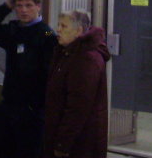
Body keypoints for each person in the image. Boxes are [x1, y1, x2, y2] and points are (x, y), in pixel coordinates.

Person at [0, 0, 58, 158]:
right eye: (19, 6)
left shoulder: (45, 32)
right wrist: (6, 6)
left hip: (33, 109)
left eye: (28, 5)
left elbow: (49, 72)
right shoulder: (14, 31)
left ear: (38, 6)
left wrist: (37, 105)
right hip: (11, 103)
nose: (23, 10)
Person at [43, 10, 110, 158]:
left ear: (78, 31)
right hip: (61, 133)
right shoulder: (66, 50)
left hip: (78, 143)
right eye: (58, 25)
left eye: (64, 26)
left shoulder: (86, 59)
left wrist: (62, 143)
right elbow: (48, 33)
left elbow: (78, 107)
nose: (58, 29)